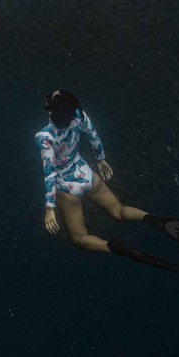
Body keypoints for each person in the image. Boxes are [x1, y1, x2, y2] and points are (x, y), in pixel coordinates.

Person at [35, 90, 148, 253]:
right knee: (119, 211)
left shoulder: (44, 136)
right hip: (87, 177)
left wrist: (49, 208)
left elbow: (50, 171)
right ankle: (152, 219)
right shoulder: (79, 116)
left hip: (67, 190)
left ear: (51, 111)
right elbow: (93, 136)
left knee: (80, 238)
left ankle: (116, 249)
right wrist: (101, 159)